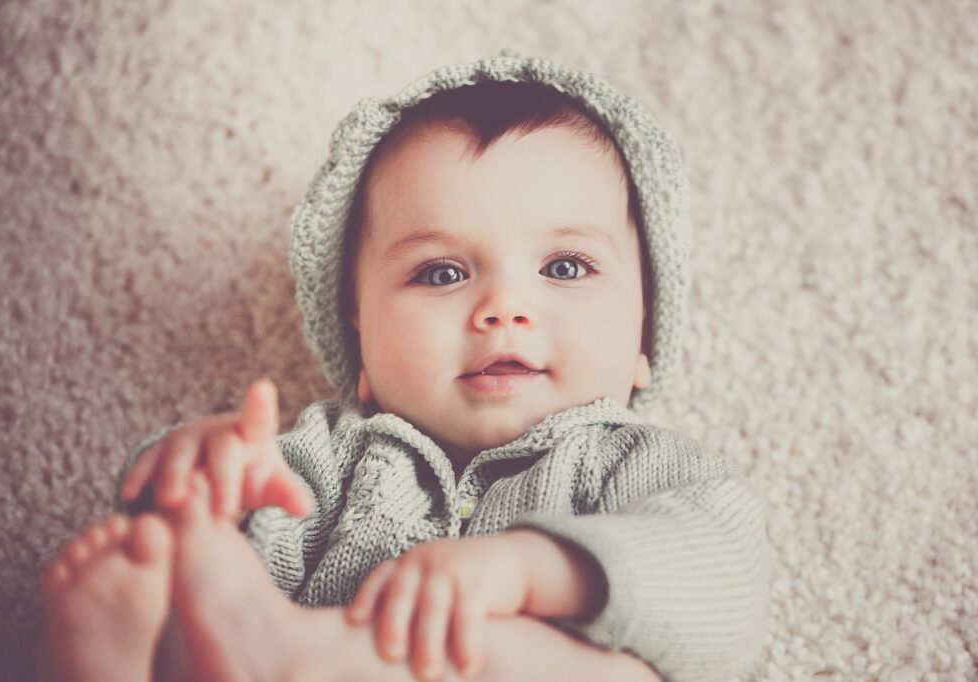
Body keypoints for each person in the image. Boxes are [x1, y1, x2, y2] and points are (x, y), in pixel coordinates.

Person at [37, 49, 772, 681]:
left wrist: (527, 568)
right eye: (442, 274)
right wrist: (201, 486)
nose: (503, 308)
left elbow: (726, 584)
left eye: (566, 266)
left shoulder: (635, 466)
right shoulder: (327, 462)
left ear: (645, 335)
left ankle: (293, 652)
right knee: (191, 568)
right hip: (266, 658)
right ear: (360, 343)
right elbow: (240, 565)